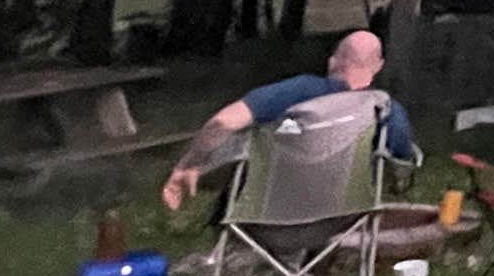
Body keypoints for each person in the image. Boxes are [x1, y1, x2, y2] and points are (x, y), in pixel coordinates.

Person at [160, 29, 417, 214]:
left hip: (268, 218)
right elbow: (400, 172)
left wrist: (188, 164)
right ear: (378, 66)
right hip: (343, 221)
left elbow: (222, 123)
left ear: (333, 61)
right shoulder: (389, 111)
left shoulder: (299, 90)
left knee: (247, 148)